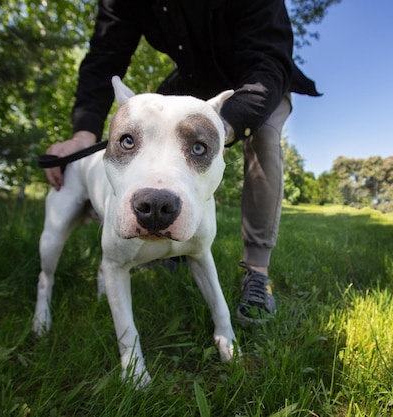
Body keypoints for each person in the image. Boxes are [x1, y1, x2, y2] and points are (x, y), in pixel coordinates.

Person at [44, 0, 321, 323]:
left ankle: (257, 270)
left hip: (258, 81)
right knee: (148, 126)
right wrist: (83, 134)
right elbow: (105, 57)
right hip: (192, 82)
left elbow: (268, 62)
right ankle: (167, 243)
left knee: (263, 138)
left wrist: (220, 130)